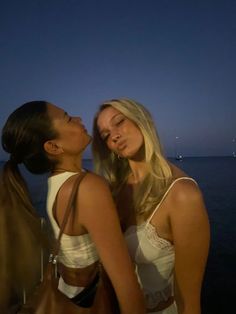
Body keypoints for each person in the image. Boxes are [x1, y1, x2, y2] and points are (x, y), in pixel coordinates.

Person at [0, 100, 145, 314]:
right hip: (89, 301)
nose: (78, 119)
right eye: (68, 118)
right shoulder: (87, 188)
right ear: (54, 146)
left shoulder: (59, 182)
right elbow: (125, 281)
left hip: (70, 292)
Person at [92, 98, 210, 314]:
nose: (114, 135)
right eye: (106, 135)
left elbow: (190, 302)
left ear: (142, 120)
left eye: (119, 122)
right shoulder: (114, 191)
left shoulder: (182, 195)